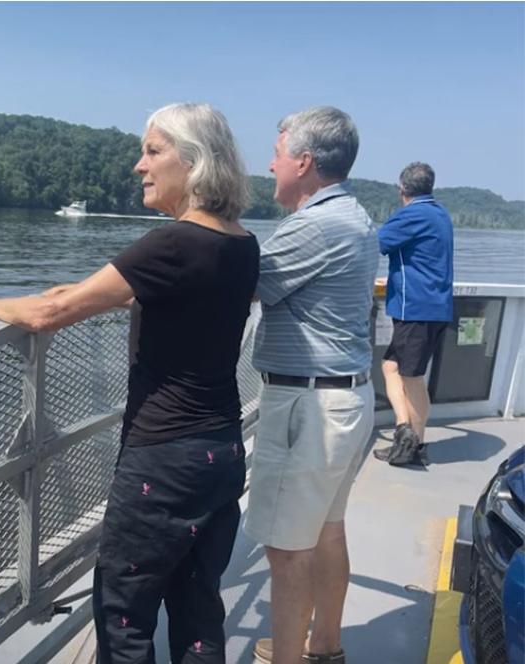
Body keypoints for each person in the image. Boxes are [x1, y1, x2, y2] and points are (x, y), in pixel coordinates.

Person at [0, 102, 260, 664]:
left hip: (162, 460)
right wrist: (76, 290)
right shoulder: (239, 243)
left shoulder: (172, 243)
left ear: (194, 162)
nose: (140, 166)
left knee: (124, 614)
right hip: (219, 451)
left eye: (153, 151)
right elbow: (139, 290)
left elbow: (52, 313)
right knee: (197, 610)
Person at [243, 107, 378, 664]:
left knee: (286, 547)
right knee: (326, 531)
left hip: (311, 405)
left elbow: (244, 284)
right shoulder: (353, 215)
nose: (270, 165)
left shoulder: (315, 225)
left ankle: (291, 658)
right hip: (344, 398)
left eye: (276, 154)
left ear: (303, 162)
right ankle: (324, 647)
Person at [373, 162, 453, 467]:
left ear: (402, 189)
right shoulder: (440, 214)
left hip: (416, 309)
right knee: (391, 366)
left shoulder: (412, 214)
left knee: (411, 377)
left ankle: (414, 446)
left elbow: (373, 244)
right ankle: (405, 431)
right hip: (434, 307)